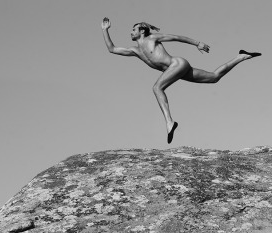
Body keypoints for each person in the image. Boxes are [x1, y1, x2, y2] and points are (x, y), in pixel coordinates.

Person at [101, 18, 261, 143]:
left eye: (133, 29)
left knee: (157, 88)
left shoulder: (153, 38)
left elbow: (177, 37)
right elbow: (112, 49)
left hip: (177, 64)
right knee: (214, 77)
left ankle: (169, 122)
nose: (130, 32)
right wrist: (105, 30)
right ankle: (241, 56)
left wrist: (197, 43)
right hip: (175, 71)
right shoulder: (135, 51)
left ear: (142, 31)